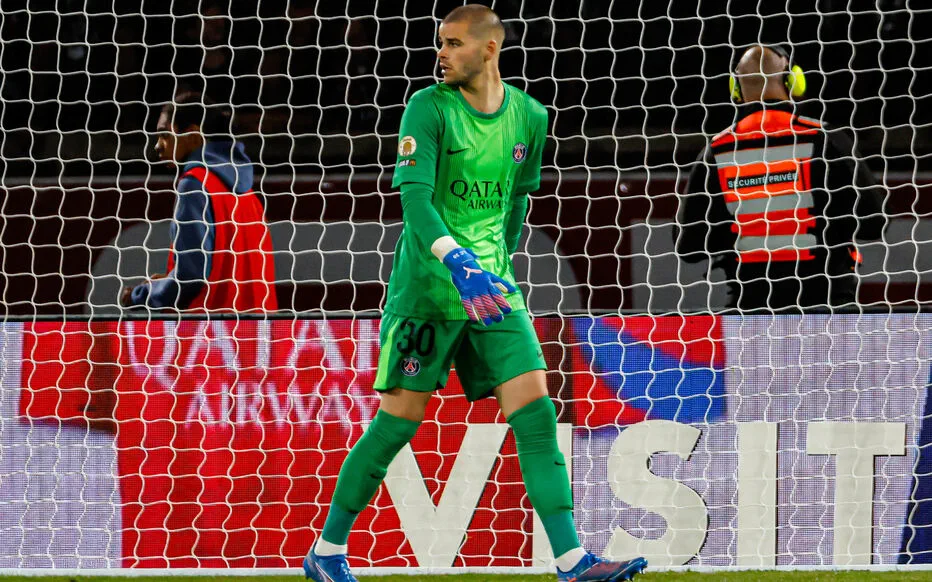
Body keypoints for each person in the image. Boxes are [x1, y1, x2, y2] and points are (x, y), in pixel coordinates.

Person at [302, 6, 647, 582]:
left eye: (454, 43)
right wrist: (457, 260)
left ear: (489, 49)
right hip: (428, 294)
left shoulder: (530, 117)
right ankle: (328, 550)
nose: (442, 53)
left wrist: (493, 267)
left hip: (492, 291)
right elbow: (414, 200)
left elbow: (516, 203)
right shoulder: (428, 108)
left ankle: (571, 560)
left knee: (537, 415)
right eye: (440, 42)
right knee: (397, 425)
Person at [675, 44, 886, 311]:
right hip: (827, 311)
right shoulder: (826, 139)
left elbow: (689, 248)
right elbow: (875, 223)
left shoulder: (716, 150)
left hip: (750, 314)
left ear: (735, 88)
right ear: (793, 80)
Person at [120, 91, 278, 312]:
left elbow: (191, 277)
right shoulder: (247, 194)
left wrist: (142, 295)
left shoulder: (194, 185)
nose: (157, 146)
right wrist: (167, 281)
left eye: (164, 135)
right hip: (259, 335)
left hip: (211, 336)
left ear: (193, 135)